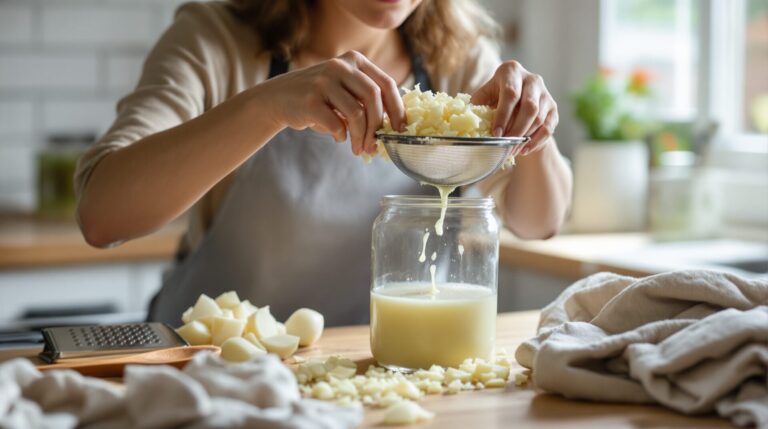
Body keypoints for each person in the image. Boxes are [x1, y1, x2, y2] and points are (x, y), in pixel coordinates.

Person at [75, 0, 573, 326]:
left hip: (375, 369)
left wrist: (534, 131)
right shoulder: (215, 41)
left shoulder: (458, 57)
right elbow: (103, 215)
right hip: (210, 366)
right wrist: (266, 106)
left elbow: (540, 220)